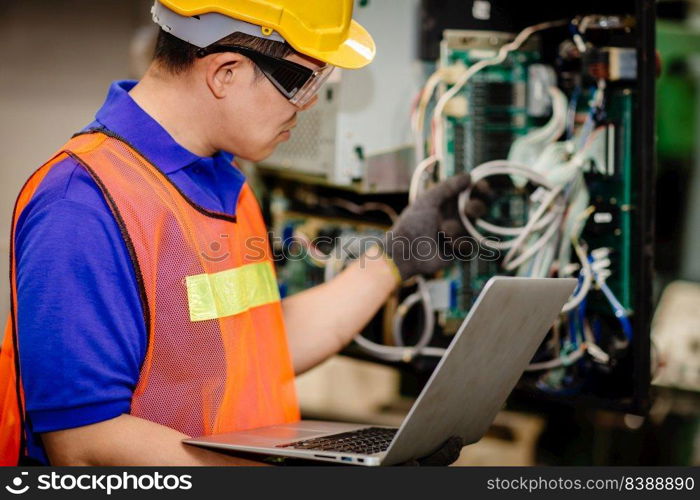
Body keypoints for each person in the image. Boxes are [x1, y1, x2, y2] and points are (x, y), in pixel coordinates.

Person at [0, 0, 488, 466]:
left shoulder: (222, 180)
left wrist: (393, 260)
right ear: (226, 72)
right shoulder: (82, 203)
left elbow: (253, 348)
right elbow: (86, 445)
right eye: (303, 80)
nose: (312, 103)